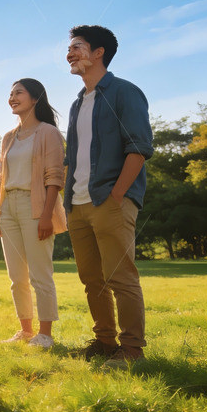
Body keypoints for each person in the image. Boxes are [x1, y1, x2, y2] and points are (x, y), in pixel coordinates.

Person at [64, 25, 153, 368]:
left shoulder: (124, 92)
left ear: (99, 52)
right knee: (92, 280)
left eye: (77, 46)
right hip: (77, 203)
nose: (70, 53)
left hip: (110, 200)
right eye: (69, 48)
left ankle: (132, 349)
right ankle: (104, 342)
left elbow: (138, 147)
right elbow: (75, 156)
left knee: (121, 277)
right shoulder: (77, 103)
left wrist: (117, 194)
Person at [0, 78, 67, 349]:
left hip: (34, 206)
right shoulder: (8, 137)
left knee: (40, 274)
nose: (12, 98)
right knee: (17, 277)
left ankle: (45, 335)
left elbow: (54, 177)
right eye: (10, 93)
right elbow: (2, 178)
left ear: (35, 98)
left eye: (18, 93)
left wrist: (46, 216)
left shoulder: (49, 133)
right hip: (8, 207)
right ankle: (25, 331)